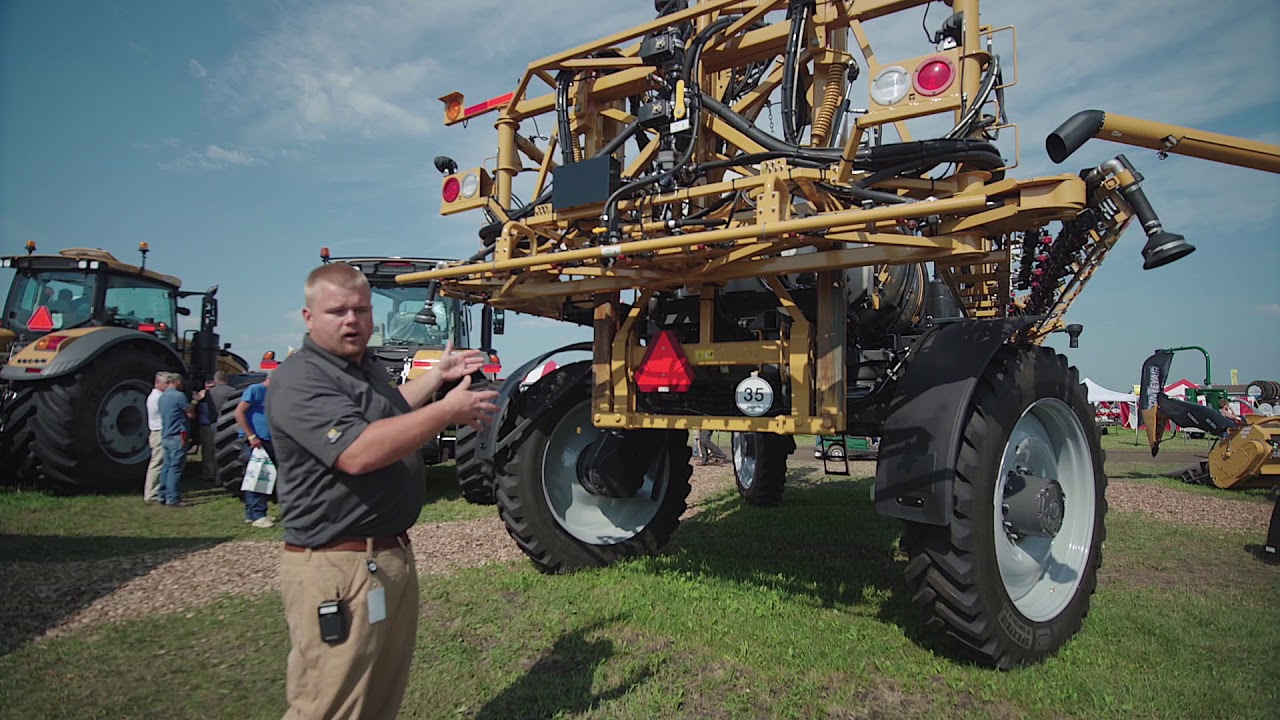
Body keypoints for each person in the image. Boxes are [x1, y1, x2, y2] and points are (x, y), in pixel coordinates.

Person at [267, 263, 499, 719]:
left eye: (360, 309)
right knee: (330, 704)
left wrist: (436, 378)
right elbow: (357, 452)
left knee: (377, 701)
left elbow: (388, 410)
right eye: (337, 311)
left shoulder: (364, 367)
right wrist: (445, 412)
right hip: (337, 566)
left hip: (384, 559)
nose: (351, 320)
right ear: (309, 317)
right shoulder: (303, 378)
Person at [235, 374, 276, 528]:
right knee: (260, 476)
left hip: (268, 439)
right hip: (257, 441)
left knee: (259, 476)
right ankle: (258, 515)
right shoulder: (256, 389)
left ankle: (253, 513)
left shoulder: (273, 393)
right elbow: (239, 413)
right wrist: (251, 436)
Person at [157, 372, 196, 507]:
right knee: (176, 468)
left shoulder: (162, 397)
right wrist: (195, 401)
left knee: (166, 466)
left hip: (166, 434)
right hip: (178, 435)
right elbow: (190, 414)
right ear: (178, 382)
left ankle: (162, 495)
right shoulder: (179, 396)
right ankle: (173, 498)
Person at [199, 371, 237, 484]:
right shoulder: (232, 391)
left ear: (215, 380)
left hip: (211, 423)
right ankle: (223, 474)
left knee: (209, 451)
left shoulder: (208, 392)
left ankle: (209, 474)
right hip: (228, 424)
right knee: (225, 449)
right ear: (227, 379)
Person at [143, 371, 170, 503]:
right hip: (159, 431)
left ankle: (156, 491)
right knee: (157, 463)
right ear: (157, 383)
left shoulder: (157, 396)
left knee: (159, 462)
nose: (168, 385)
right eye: (166, 383)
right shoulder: (158, 398)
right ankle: (151, 493)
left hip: (157, 431)